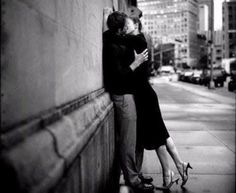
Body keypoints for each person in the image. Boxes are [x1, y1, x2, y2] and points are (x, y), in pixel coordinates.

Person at [121, 16, 193, 189]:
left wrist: (109, 30)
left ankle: (169, 173)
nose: (124, 28)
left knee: (158, 136)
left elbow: (119, 38)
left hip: (145, 96)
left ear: (136, 25)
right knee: (161, 133)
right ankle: (179, 166)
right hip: (145, 95)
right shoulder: (133, 41)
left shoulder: (138, 39)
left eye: (127, 24)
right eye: (123, 26)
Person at [103, 11, 154, 193]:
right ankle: (133, 180)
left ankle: (134, 174)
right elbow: (117, 75)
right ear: (119, 28)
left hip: (128, 95)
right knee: (128, 141)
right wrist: (136, 62)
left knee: (133, 139)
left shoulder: (114, 39)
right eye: (125, 25)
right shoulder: (113, 46)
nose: (127, 27)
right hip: (123, 96)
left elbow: (137, 41)